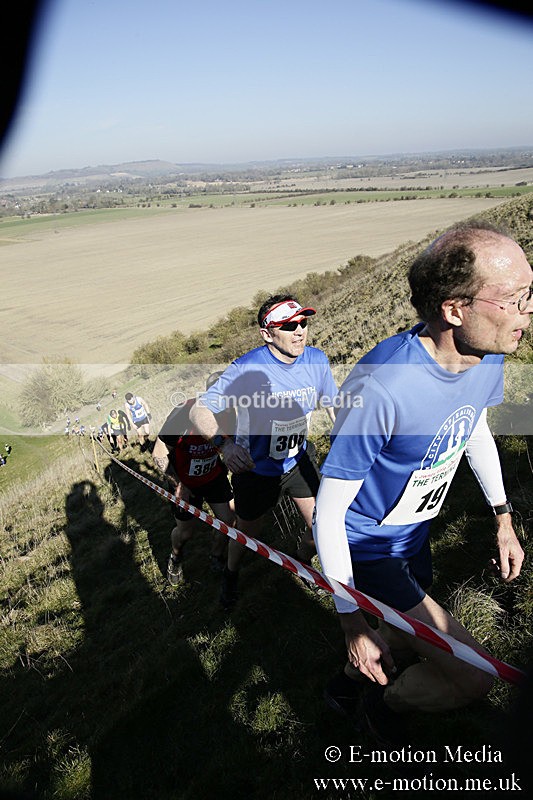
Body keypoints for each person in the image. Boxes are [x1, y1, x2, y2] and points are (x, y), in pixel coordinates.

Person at [313, 220, 531, 744]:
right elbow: (329, 511)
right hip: (370, 546)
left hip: (415, 531)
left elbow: (472, 426)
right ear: (455, 310)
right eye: (516, 298)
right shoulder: (384, 387)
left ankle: (346, 688)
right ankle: (381, 706)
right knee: (475, 677)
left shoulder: (488, 351)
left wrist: (503, 517)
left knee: (406, 630)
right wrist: (349, 623)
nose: (529, 311)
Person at [190, 293, 338, 609]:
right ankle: (231, 574)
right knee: (246, 535)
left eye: (303, 322)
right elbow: (199, 410)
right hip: (254, 470)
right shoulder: (246, 369)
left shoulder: (316, 360)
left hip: (298, 460)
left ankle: (301, 560)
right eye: (288, 325)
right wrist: (224, 446)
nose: (300, 331)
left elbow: (331, 404)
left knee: (324, 526)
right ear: (267, 334)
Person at [152, 372, 235, 585]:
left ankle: (216, 556)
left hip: (213, 476)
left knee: (228, 521)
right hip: (183, 481)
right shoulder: (183, 412)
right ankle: (176, 557)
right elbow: (159, 452)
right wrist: (179, 485)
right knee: (186, 532)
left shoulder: (232, 413)